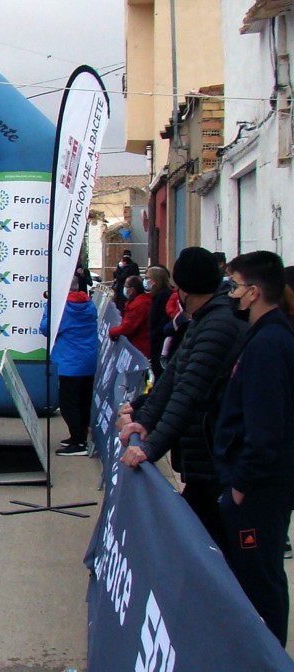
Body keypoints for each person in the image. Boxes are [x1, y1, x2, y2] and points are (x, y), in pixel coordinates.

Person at [119, 246, 245, 549]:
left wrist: (150, 446)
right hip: (204, 455)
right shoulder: (203, 319)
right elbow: (172, 377)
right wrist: (143, 418)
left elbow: (188, 391)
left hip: (216, 456)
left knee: (230, 552)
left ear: (183, 289)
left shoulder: (218, 323)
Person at [211, 250, 294, 646]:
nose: (230, 294)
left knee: (261, 579)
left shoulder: (269, 344)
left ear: (254, 292)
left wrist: (239, 489)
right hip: (255, 486)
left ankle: (269, 655)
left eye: (234, 287)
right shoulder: (262, 337)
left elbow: (266, 431)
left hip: (259, 490)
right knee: (256, 576)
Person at [42, 276, 99, 456]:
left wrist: (49, 307)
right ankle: (79, 435)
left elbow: (45, 328)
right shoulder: (90, 305)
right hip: (88, 360)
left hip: (70, 362)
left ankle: (79, 441)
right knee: (83, 400)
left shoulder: (62, 309)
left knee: (68, 403)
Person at [109, 275, 151, 357]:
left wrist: (113, 332)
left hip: (139, 347)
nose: (124, 288)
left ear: (132, 290)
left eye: (125, 286)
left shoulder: (137, 305)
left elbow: (127, 327)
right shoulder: (141, 301)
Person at [144, 265, 175, 378]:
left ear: (156, 280)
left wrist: (154, 335)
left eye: (148, 278)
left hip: (160, 343)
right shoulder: (157, 295)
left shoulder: (164, 295)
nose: (146, 281)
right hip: (155, 341)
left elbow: (163, 320)